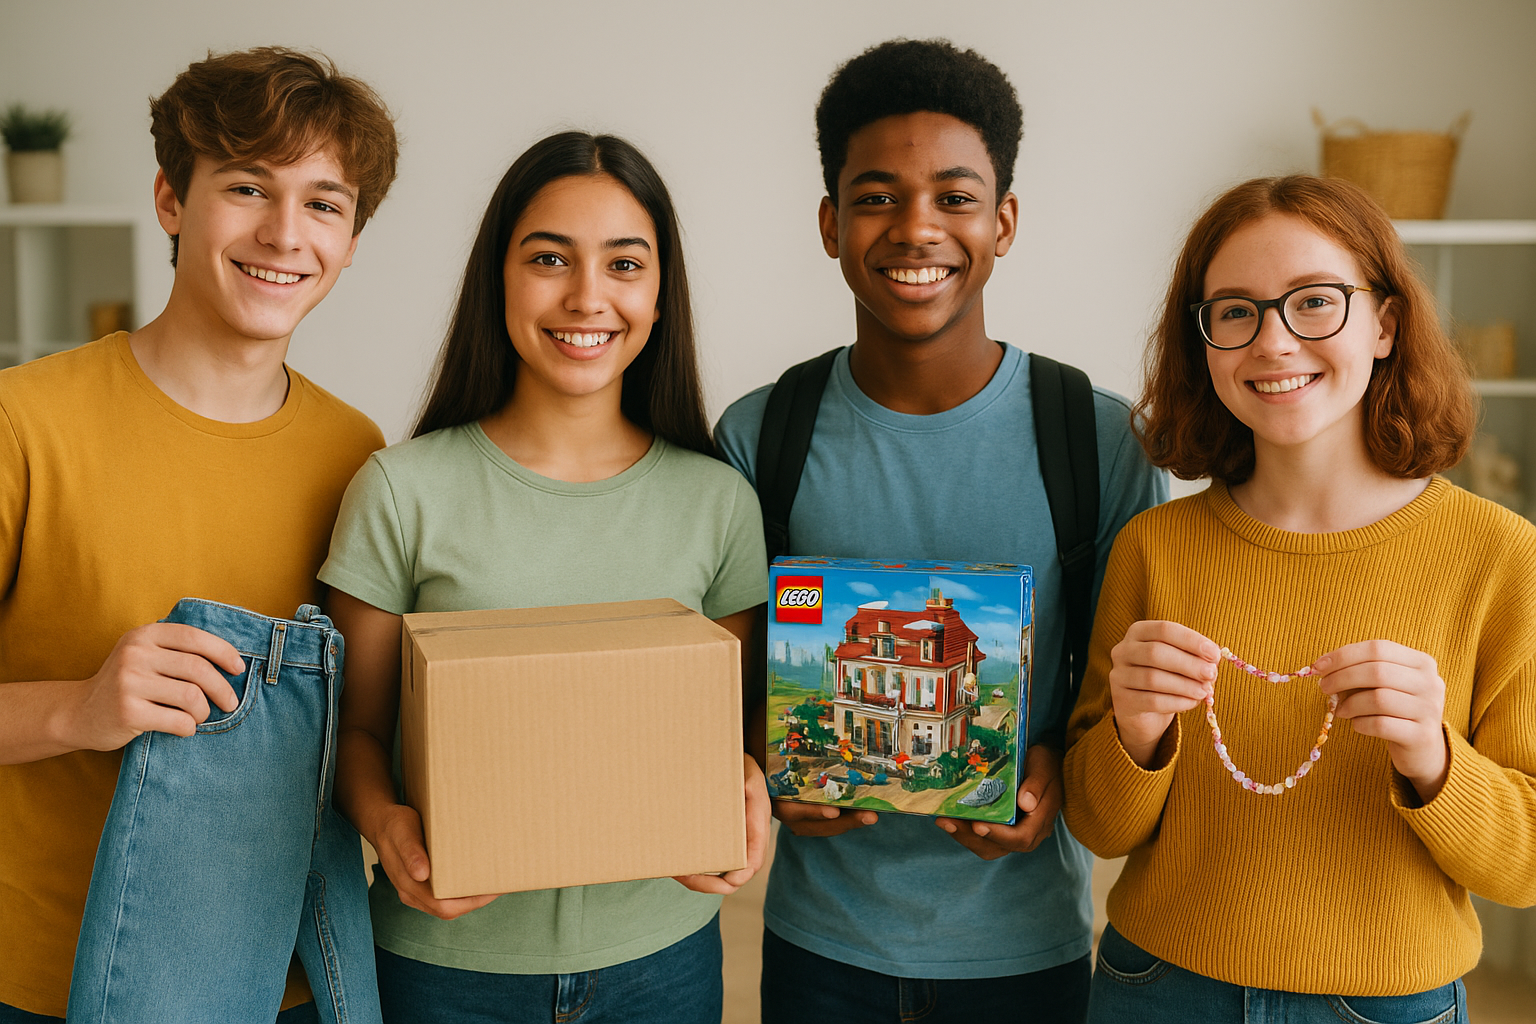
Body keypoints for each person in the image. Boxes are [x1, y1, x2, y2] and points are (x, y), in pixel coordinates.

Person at [713, 39, 1167, 1023]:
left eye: (955, 197)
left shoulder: (1097, 439)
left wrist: (1053, 764)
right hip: (816, 949)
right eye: (876, 196)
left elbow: (1120, 698)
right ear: (830, 223)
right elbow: (723, 687)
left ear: (1004, 223)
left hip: (1029, 946)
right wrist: (768, 760)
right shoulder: (760, 434)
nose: (916, 228)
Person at [320, 130, 771, 1024]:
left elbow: (732, 739)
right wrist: (387, 828)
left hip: (661, 962)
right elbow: (354, 735)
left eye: (625, 264)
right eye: (550, 258)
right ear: (499, 276)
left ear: (659, 292)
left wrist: (747, 798)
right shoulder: (401, 492)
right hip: (443, 966)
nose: (587, 296)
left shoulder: (719, 502)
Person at [1062, 174, 1536, 1023]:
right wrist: (1134, 736)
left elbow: (1526, 866)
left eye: (1315, 302)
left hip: (1392, 1005)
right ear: (1203, 342)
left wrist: (1433, 757)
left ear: (1386, 324)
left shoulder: (1502, 558)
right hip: (1154, 990)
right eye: (1236, 311)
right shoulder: (1153, 547)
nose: (1274, 342)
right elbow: (1099, 828)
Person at [0, 47, 397, 1023]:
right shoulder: (23, 421)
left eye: (323, 203)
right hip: (48, 984)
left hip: (292, 980)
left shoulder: (361, 454)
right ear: (172, 201)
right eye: (248, 187)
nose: (283, 233)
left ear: (350, 242)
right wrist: (78, 711)